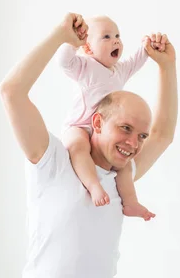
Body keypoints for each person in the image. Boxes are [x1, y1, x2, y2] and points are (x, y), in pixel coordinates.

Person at [0, 12, 178, 278]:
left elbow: (164, 133)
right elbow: (11, 92)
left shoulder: (119, 176)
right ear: (96, 121)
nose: (134, 143)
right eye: (125, 129)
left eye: (139, 135)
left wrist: (166, 67)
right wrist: (58, 37)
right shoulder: (52, 160)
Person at [58, 15, 155, 221]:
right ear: (89, 48)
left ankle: (130, 203)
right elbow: (64, 62)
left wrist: (148, 46)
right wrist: (72, 42)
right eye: (106, 37)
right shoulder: (86, 66)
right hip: (80, 126)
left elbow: (137, 61)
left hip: (104, 131)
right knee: (79, 147)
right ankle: (93, 185)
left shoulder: (119, 71)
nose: (116, 41)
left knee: (125, 165)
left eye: (118, 36)